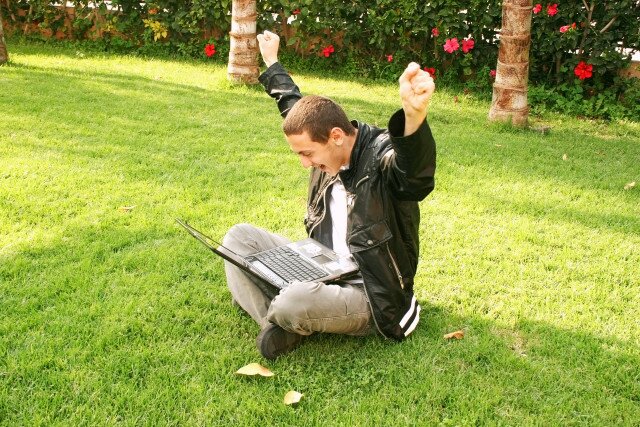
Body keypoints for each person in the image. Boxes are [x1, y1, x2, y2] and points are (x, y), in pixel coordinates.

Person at [222, 30, 437, 359]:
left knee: (295, 299)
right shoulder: (325, 143)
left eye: (307, 154)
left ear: (336, 136)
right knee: (237, 240)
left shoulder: (380, 157)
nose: (305, 164)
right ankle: (280, 321)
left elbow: (415, 178)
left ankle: (284, 311)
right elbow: (295, 108)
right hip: (323, 266)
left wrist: (414, 118)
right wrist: (272, 62)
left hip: (369, 291)